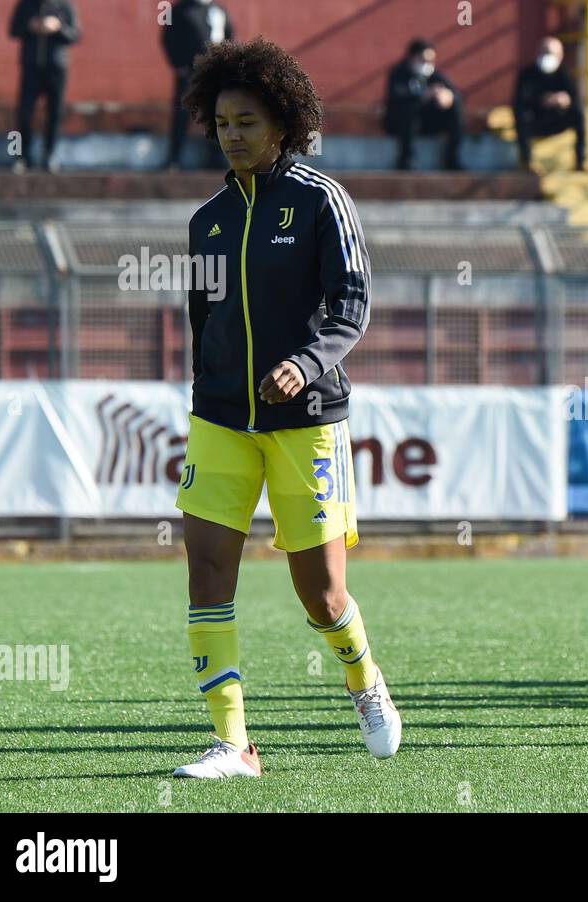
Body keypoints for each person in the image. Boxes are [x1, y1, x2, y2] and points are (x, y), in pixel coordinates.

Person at [172, 38, 400, 778]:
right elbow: (201, 321)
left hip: (306, 424)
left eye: (247, 120)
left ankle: (363, 678)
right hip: (219, 422)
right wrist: (208, 396)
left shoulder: (319, 199)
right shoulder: (205, 221)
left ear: (283, 125)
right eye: (222, 121)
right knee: (206, 574)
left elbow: (352, 303)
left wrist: (305, 365)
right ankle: (234, 745)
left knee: (322, 594)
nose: (232, 133)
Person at [8, 0, 80, 172]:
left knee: (55, 113)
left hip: (56, 68)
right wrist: (30, 26)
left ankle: (50, 154)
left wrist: (57, 27)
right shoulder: (26, 5)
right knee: (24, 113)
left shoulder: (64, 6)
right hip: (31, 67)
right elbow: (13, 30)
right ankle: (22, 156)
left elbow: (75, 35)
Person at [161, 0, 234, 170]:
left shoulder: (218, 10)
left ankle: (217, 158)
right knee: (182, 113)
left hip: (216, 72)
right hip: (190, 71)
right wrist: (178, 64)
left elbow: (230, 36)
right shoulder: (179, 10)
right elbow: (168, 37)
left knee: (218, 112)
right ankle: (174, 159)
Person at [383, 39, 464, 170]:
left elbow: (456, 94)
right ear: (412, 56)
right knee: (408, 108)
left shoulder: (435, 75)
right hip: (401, 124)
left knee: (455, 107)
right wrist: (424, 96)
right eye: (423, 59)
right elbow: (397, 96)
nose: (427, 64)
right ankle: (406, 160)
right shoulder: (399, 73)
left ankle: (452, 159)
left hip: (428, 124)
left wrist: (448, 96)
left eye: (430, 60)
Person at [513, 36, 585, 171]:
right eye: (545, 52)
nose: (548, 56)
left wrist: (565, 101)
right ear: (538, 53)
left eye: (552, 53)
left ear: (560, 56)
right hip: (535, 120)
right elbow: (520, 101)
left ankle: (581, 160)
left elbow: (575, 99)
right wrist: (542, 101)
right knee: (521, 115)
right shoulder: (527, 74)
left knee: (579, 113)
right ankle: (526, 161)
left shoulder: (564, 74)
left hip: (558, 120)